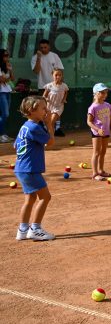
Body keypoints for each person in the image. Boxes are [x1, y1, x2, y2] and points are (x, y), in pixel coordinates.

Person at [13, 95, 55, 241]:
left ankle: (22, 230)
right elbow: (50, 142)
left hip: (21, 168)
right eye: (43, 108)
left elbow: (16, 146)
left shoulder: (25, 126)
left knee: (30, 198)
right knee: (45, 197)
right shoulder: (35, 127)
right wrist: (49, 123)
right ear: (32, 110)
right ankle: (35, 229)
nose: (46, 110)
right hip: (30, 169)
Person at [30, 39, 63, 134]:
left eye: (45, 47)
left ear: (49, 47)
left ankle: (57, 128)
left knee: (57, 106)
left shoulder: (54, 56)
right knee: (44, 107)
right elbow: (36, 71)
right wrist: (39, 58)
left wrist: (60, 83)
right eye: (41, 48)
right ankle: (45, 128)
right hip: (42, 87)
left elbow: (60, 70)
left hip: (55, 86)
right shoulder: (35, 57)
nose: (43, 49)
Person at [87, 83, 111, 181]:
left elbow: (110, 117)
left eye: (106, 92)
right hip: (96, 133)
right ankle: (95, 174)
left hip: (106, 132)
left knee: (103, 152)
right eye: (102, 92)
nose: (105, 94)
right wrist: (97, 129)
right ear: (96, 93)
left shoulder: (107, 105)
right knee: (96, 153)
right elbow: (89, 122)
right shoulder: (93, 107)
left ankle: (101, 170)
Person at [43, 69, 69, 138]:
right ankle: (50, 133)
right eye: (56, 75)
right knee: (48, 122)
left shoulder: (64, 86)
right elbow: (44, 96)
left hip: (59, 106)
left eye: (59, 75)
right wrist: (46, 99)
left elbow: (66, 92)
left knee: (52, 121)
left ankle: (49, 136)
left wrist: (64, 99)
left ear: (62, 76)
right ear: (52, 76)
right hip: (49, 106)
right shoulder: (49, 86)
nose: (58, 77)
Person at [0, 49, 15, 143]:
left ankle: (3, 135)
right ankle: (2, 135)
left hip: (7, 91)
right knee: (5, 114)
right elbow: (1, 80)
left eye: (7, 55)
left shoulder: (7, 66)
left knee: (4, 114)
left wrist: (10, 70)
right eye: (5, 55)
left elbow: (12, 78)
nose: (7, 57)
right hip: (1, 92)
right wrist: (7, 78)